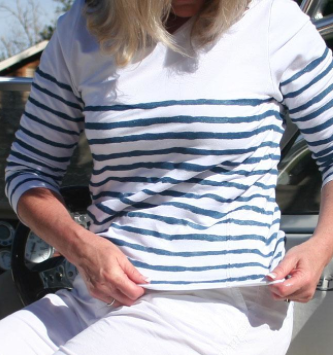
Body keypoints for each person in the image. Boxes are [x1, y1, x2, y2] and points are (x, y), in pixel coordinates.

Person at [1, 0, 333, 354]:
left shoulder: (269, 19)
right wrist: (80, 248)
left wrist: (320, 247)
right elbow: (28, 170)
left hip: (219, 301)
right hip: (95, 297)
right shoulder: (82, 29)